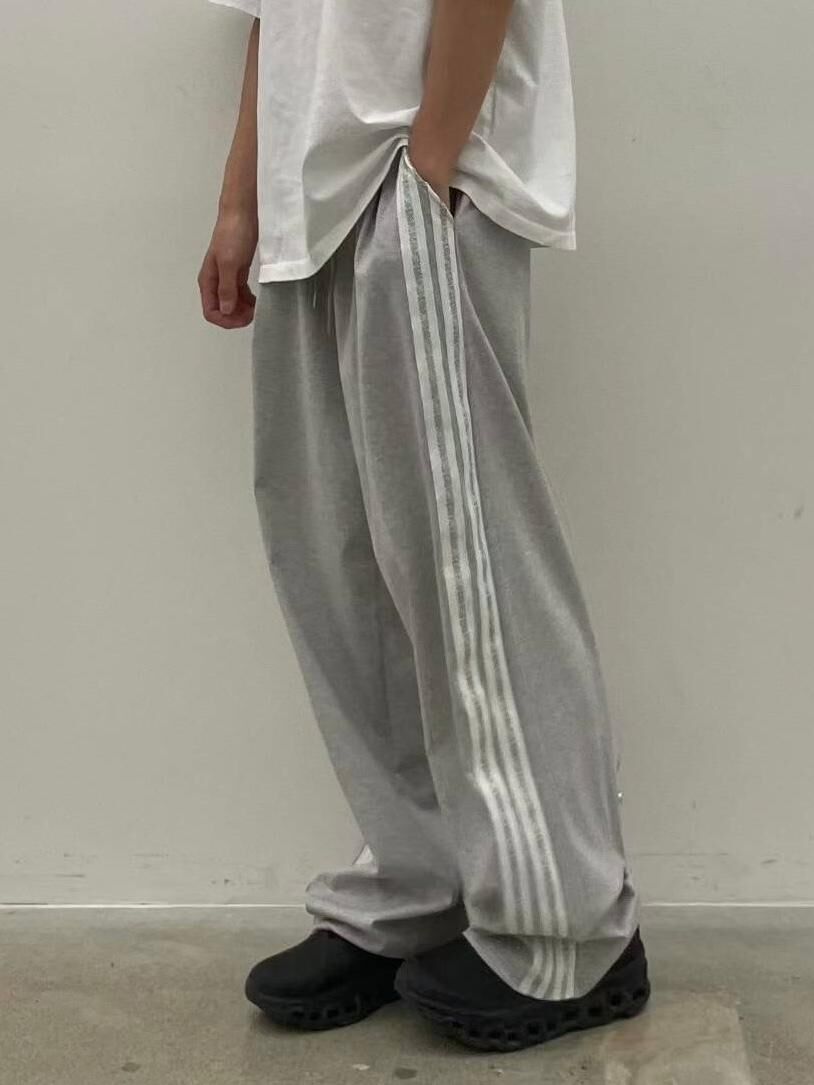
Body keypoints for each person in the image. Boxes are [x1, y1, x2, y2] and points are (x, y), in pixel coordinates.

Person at [199, 0, 649, 1054]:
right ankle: (421, 884)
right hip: (305, 203)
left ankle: (564, 924)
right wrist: (239, 202)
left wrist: (432, 159)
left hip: (412, 179)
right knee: (343, 575)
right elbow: (271, 20)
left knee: (471, 570)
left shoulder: (424, 176)